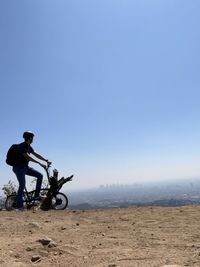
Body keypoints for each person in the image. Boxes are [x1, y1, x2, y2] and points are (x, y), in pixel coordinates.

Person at [12, 131, 51, 210]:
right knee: (22, 184)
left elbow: (37, 154)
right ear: (30, 138)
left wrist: (46, 160)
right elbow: (28, 157)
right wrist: (39, 163)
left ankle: (36, 195)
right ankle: (19, 206)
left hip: (25, 168)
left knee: (40, 175)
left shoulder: (28, 146)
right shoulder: (22, 146)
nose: (33, 139)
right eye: (32, 137)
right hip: (18, 168)